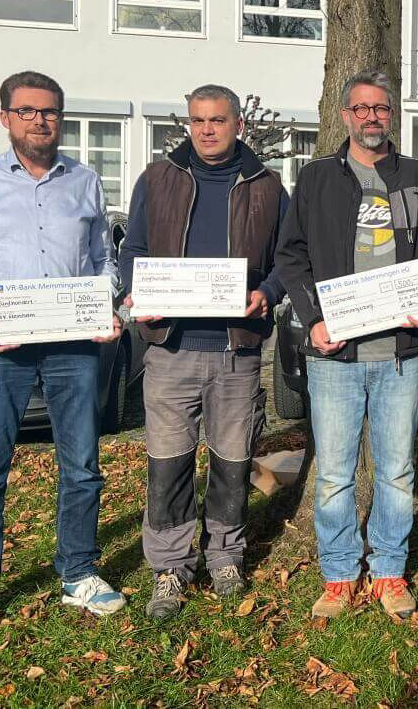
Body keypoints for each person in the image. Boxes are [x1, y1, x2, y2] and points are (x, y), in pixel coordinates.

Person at [0, 71, 125, 643]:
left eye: (50, 112)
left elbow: (103, 261)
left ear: (61, 118)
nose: (40, 121)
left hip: (71, 347)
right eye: (27, 111)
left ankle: (78, 572)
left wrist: (102, 302)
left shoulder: (85, 182)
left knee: (82, 465)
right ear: (5, 118)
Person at [275, 70, 418, 621]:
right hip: (336, 355)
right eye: (362, 108)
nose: (372, 117)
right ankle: (339, 574)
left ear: (391, 115)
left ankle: (389, 569)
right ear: (346, 115)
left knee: (397, 471)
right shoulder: (317, 179)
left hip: (400, 352)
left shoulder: (417, 177)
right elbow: (291, 255)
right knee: (334, 473)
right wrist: (313, 320)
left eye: (381, 108)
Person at [118, 84, 289, 620]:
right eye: (197, 120)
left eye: (217, 120)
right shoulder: (158, 178)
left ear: (239, 124)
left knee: (232, 461)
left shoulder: (267, 186)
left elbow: (287, 257)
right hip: (171, 347)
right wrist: (136, 291)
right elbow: (134, 248)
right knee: (169, 464)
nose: (207, 130)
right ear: (188, 124)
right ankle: (170, 565)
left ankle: (225, 555)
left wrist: (269, 291)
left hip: (236, 349)